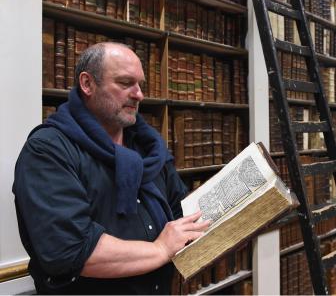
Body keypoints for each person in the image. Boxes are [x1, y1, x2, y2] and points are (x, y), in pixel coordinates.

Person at [13, 42, 210, 294]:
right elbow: (70, 249)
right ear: (87, 84)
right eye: (125, 83)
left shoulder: (148, 149)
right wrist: (160, 249)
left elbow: (181, 212)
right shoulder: (48, 151)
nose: (139, 94)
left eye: (140, 85)